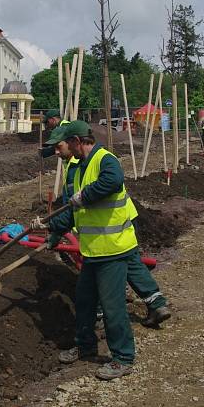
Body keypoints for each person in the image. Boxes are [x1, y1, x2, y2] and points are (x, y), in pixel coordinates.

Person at [32, 121, 168, 380]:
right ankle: (85, 346)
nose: (60, 152)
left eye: (63, 145)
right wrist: (53, 231)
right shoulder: (80, 167)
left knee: (113, 305)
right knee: (84, 302)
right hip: (94, 251)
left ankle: (123, 358)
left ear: (75, 140)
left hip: (113, 248)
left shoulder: (105, 160)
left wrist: (85, 196)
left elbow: (113, 181)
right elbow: (74, 211)